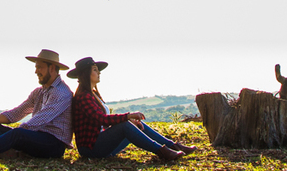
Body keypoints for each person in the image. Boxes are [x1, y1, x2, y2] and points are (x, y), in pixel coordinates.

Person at [69, 56, 197, 161]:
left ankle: (172, 146)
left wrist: (131, 122)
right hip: (91, 148)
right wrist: (128, 116)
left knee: (132, 124)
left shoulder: (93, 94)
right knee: (125, 124)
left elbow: (103, 123)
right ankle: (162, 151)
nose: (99, 73)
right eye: (95, 70)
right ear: (86, 73)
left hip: (100, 144)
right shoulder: (83, 96)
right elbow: (101, 119)